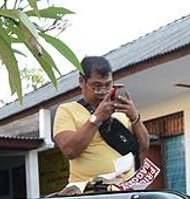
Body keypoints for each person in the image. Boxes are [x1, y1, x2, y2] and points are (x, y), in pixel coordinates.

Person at [52, 56, 150, 185]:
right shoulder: (67, 110)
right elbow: (70, 151)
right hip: (88, 193)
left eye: (108, 85)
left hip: (123, 190)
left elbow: (143, 146)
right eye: (97, 86)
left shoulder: (119, 111)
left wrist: (134, 117)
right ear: (82, 81)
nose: (103, 92)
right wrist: (97, 118)